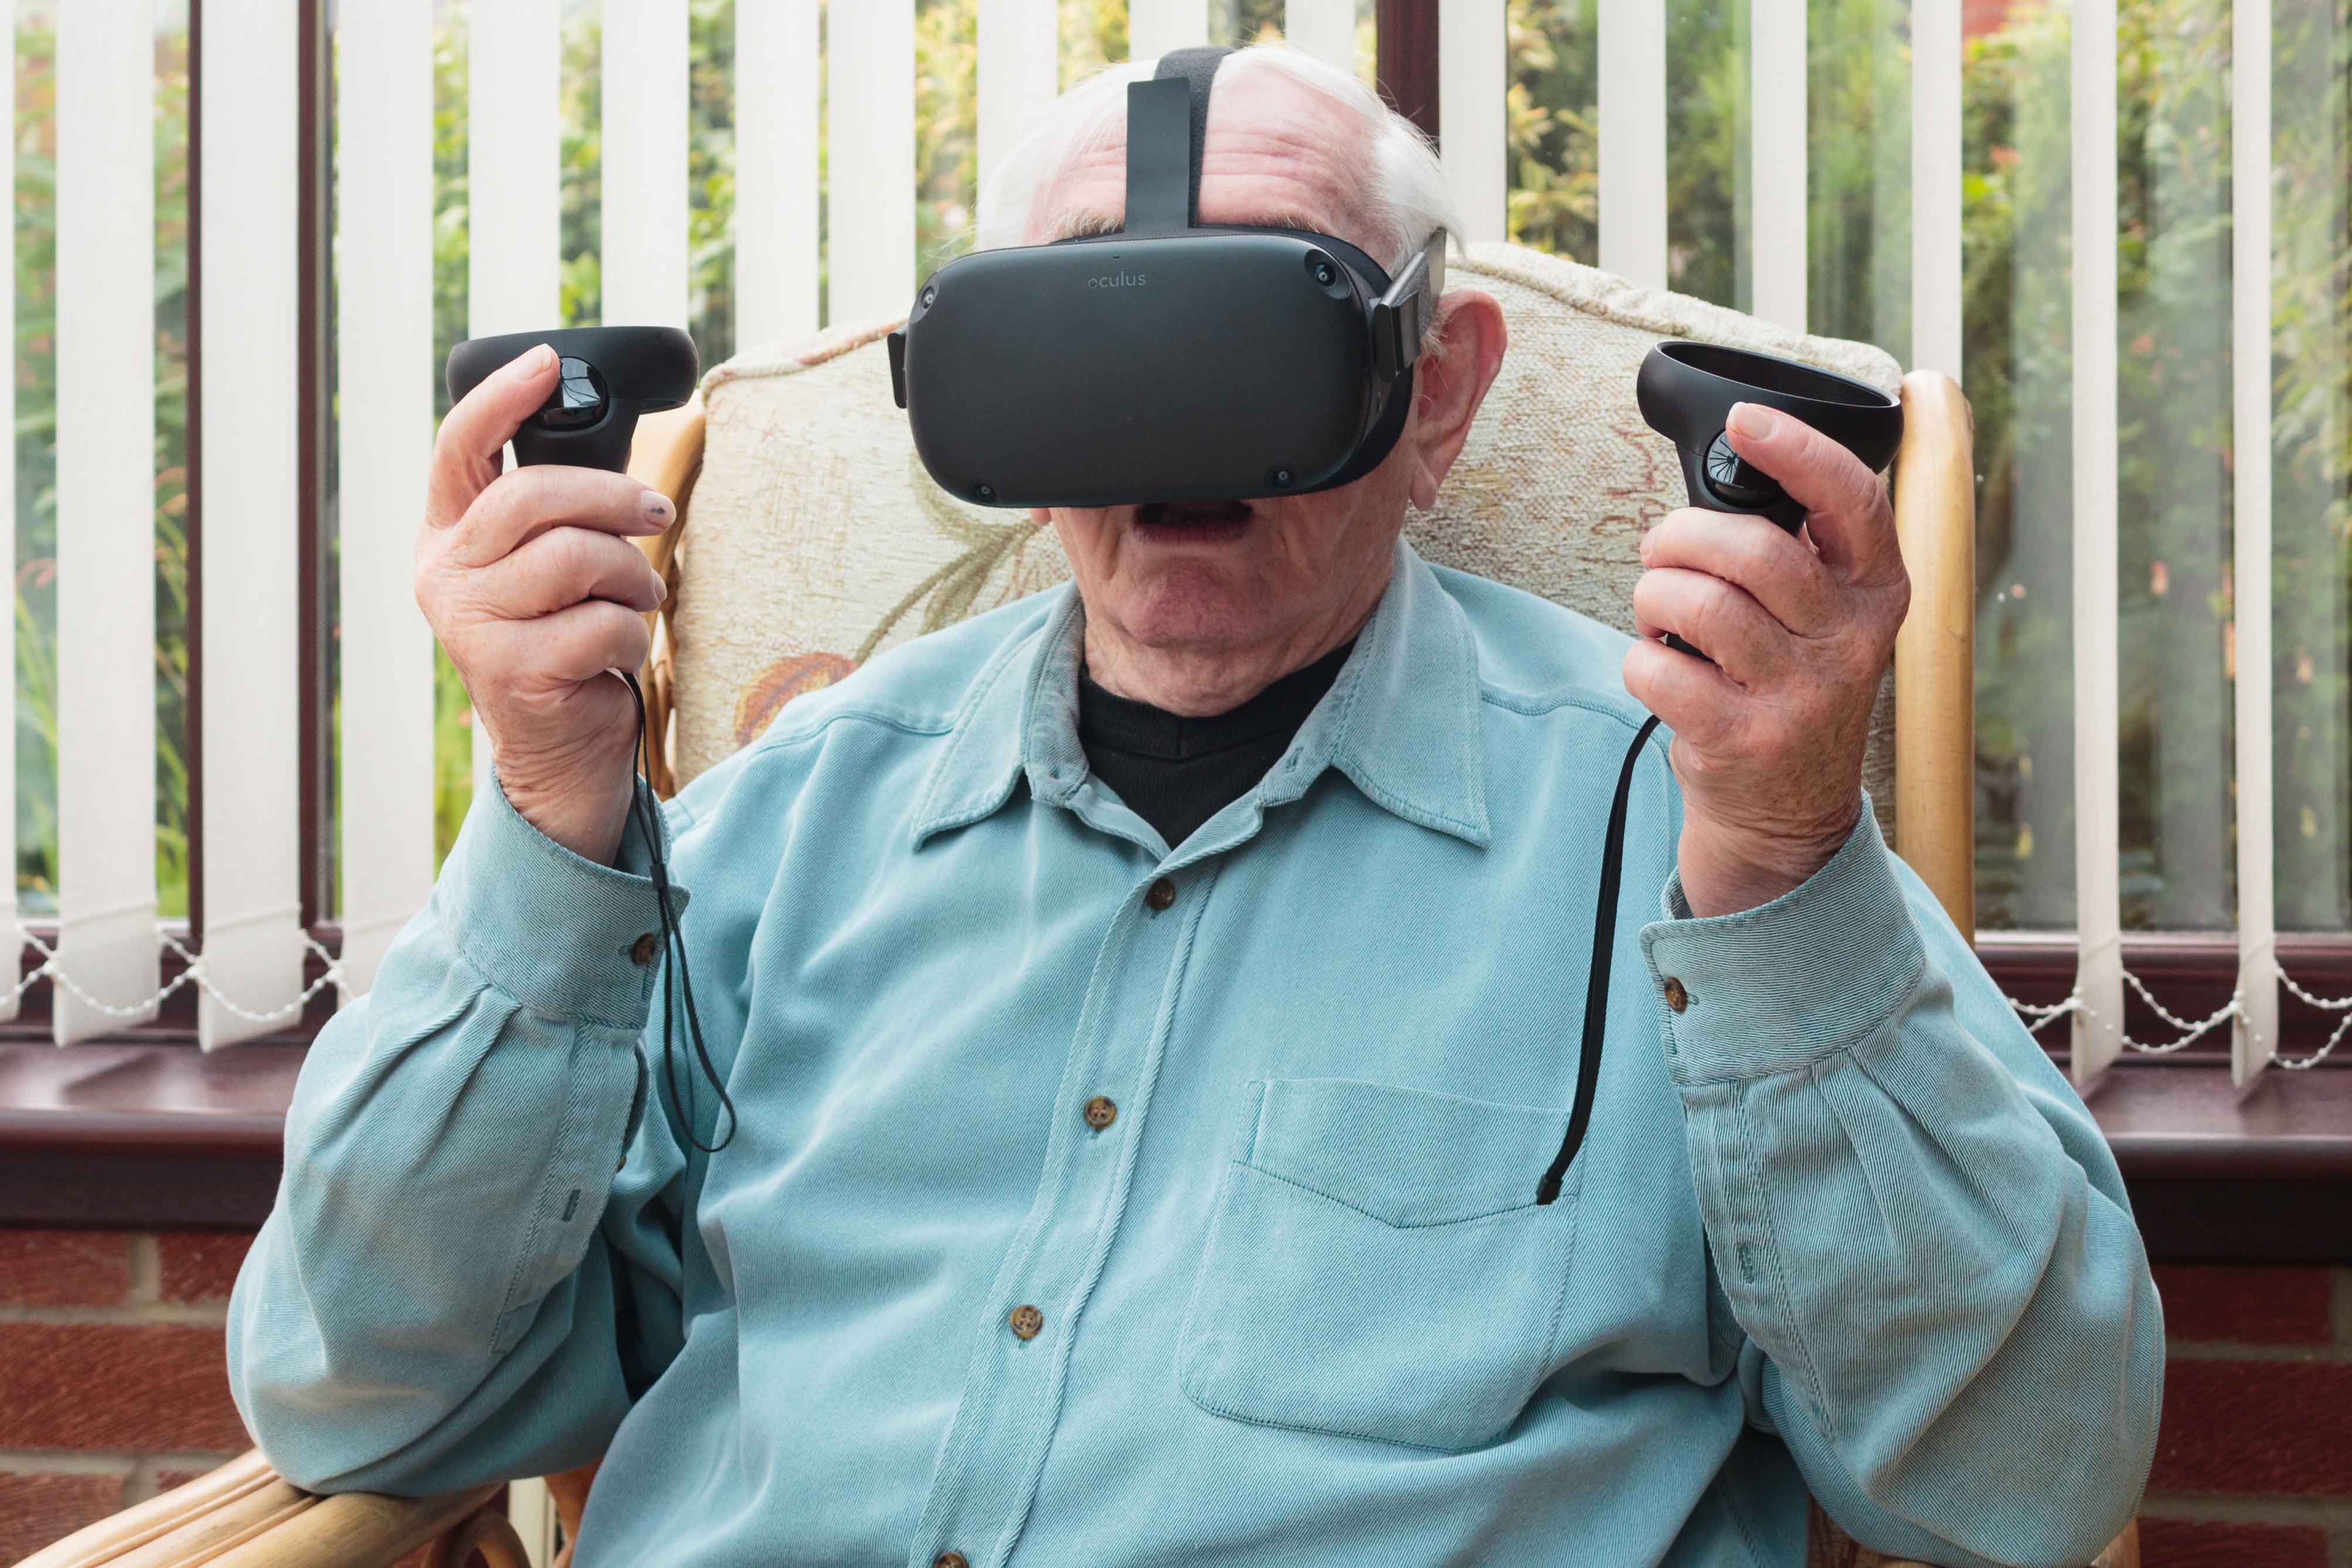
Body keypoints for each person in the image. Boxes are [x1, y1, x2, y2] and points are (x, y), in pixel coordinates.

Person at [229, 44, 2160, 1568]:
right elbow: (359, 1397)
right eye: (1094, 325)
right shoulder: (781, 824)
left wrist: (1778, 871)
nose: (1171, 404)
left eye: (1261, 317)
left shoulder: (1699, 824)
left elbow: (2019, 1477)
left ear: (1435, 390)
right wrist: (553, 814)